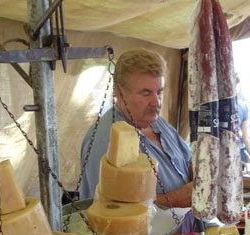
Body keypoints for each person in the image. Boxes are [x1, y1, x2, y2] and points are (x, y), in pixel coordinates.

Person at [79, 48, 193, 211]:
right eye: (146, 93)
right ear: (119, 92)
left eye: (159, 92)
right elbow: (109, 209)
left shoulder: (158, 122)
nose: (156, 102)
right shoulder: (105, 139)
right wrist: (176, 199)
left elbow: (187, 160)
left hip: (186, 233)